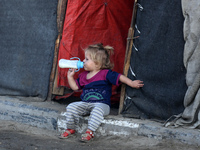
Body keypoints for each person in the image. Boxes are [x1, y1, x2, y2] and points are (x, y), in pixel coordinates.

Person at [60, 43, 144, 142]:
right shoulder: (83, 75)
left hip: (102, 105)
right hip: (86, 103)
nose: (83, 61)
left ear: (97, 63)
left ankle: (89, 131)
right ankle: (71, 128)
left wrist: (131, 83)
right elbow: (75, 87)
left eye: (87, 59)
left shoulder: (106, 74)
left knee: (96, 111)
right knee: (71, 107)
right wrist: (70, 77)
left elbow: (119, 77)